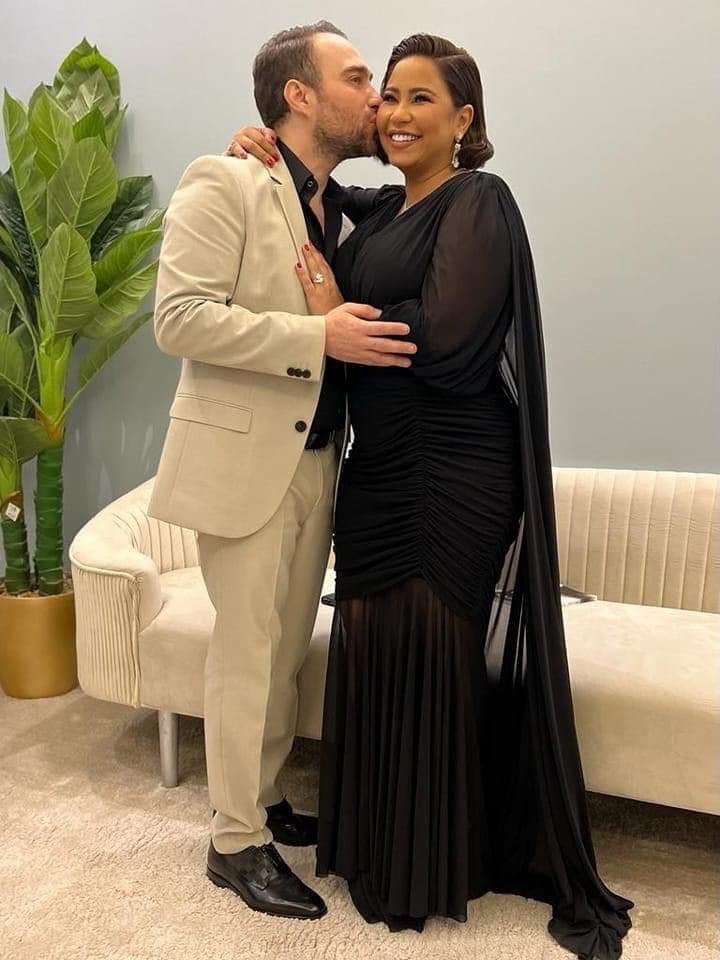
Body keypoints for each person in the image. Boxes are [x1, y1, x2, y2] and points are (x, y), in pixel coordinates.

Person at [227, 32, 635, 958]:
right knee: (373, 641)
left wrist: (338, 314)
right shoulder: (377, 210)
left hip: (456, 468)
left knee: (433, 644)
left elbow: (449, 343)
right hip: (376, 469)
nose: (397, 112)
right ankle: (375, 850)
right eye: (389, 94)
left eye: (422, 98)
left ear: (464, 118)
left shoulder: (480, 200)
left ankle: (428, 866)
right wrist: (256, 142)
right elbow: (304, 192)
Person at [147, 22, 418, 922]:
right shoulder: (223, 179)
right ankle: (233, 844)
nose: (375, 96)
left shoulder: (340, 204)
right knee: (247, 654)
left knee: (286, 652)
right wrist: (316, 336)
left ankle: (257, 801)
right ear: (298, 95)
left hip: (318, 461)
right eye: (358, 78)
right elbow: (179, 318)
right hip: (242, 463)